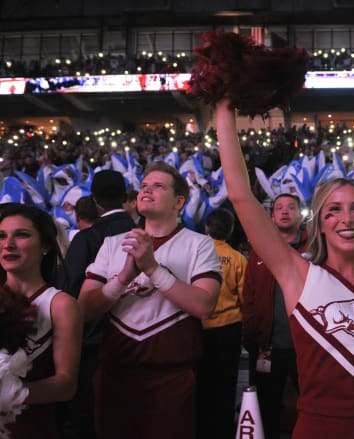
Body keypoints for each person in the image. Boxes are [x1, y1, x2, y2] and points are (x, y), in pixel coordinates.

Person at [216, 100, 354, 439]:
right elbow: (240, 195)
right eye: (333, 210)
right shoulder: (299, 275)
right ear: (319, 223)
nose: (346, 219)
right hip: (318, 428)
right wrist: (223, 107)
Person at [78, 161, 222, 439]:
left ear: (179, 201)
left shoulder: (199, 244)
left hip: (171, 376)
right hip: (114, 374)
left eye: (158, 186)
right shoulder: (112, 243)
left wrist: (154, 270)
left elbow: (204, 306)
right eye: (144, 186)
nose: (146, 190)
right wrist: (122, 279)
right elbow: (82, 309)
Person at [57, 169, 136, 439]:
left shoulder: (87, 238)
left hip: (94, 344)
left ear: (95, 201)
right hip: (141, 341)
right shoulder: (144, 233)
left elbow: (68, 291)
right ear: (126, 197)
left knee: (93, 418)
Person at [1, 204, 82, 438]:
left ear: (46, 245)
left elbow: (66, 385)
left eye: (21, 235)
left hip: (33, 429)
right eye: (1, 236)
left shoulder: (60, 304)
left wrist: (12, 393)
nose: (8, 245)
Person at [242, 193, 307, 439]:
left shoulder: (316, 249)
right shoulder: (260, 251)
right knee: (266, 410)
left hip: (306, 347)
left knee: (311, 407)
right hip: (267, 346)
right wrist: (252, 336)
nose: (284, 211)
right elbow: (249, 295)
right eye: (279, 208)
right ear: (271, 216)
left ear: (300, 215)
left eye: (291, 207)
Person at [198, 207, 247, 439]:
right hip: (229, 330)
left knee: (201, 385)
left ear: (206, 228)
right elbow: (245, 297)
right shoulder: (238, 259)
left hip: (199, 328)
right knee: (225, 387)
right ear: (229, 231)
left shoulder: (196, 254)